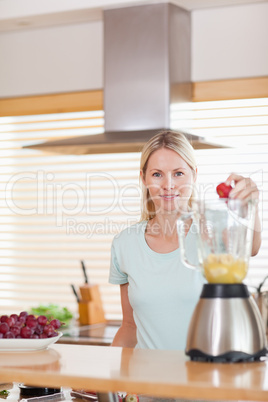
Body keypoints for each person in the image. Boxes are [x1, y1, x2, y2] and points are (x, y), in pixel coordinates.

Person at [109, 130, 261, 350]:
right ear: (143, 178)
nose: (168, 184)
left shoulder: (212, 233)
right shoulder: (124, 244)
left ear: (194, 175)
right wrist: (103, 379)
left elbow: (252, 248)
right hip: (145, 382)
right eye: (157, 174)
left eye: (178, 173)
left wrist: (251, 205)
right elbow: (129, 327)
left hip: (204, 379)